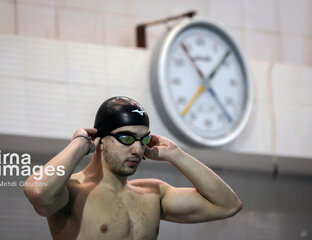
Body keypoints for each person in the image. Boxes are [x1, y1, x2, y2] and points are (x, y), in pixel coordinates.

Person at [24, 96, 242, 240]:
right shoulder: (72, 192)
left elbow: (228, 206)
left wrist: (177, 155)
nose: (137, 149)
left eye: (143, 140)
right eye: (127, 138)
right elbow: (37, 191)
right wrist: (79, 144)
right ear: (100, 140)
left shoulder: (153, 194)